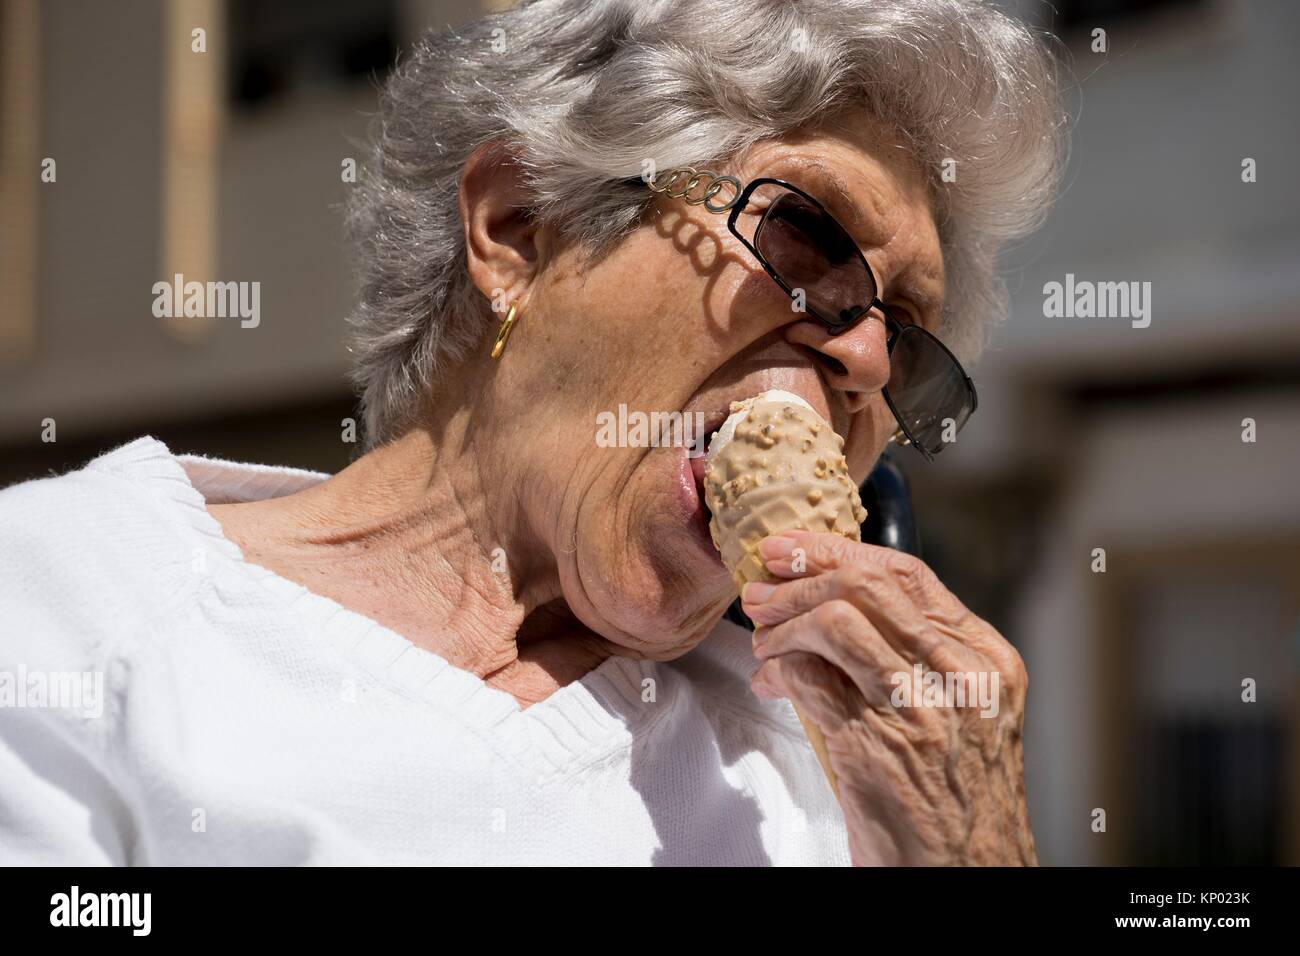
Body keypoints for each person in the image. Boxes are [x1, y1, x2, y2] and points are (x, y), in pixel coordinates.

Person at [0, 0, 1065, 865]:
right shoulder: (63, 602)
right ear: (516, 227)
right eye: (807, 240)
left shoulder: (842, 772)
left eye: (910, 342)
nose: (866, 361)